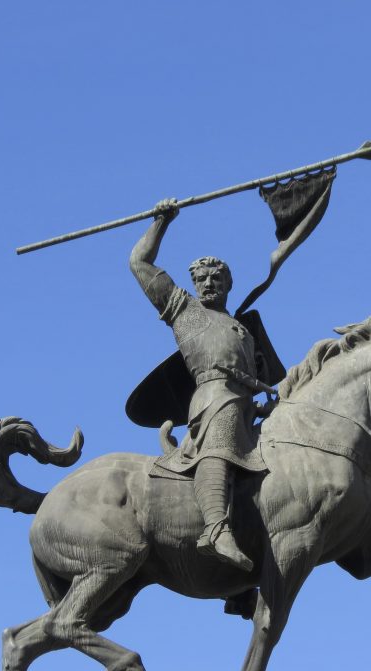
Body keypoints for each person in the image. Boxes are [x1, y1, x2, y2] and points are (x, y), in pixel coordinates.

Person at [128, 198, 268, 572]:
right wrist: (161, 221)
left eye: (216, 278)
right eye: (201, 279)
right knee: (221, 437)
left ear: (228, 285)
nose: (207, 283)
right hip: (214, 397)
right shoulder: (185, 311)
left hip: (249, 404)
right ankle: (214, 530)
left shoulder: (241, 329)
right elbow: (138, 263)